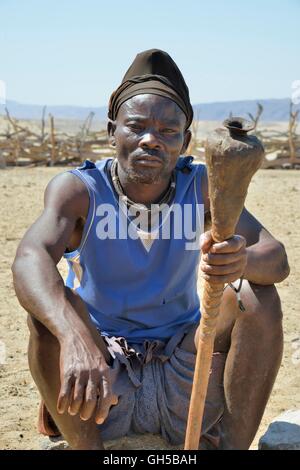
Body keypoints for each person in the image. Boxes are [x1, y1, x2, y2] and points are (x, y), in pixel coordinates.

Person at [12, 49, 290, 450]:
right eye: (137, 126)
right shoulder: (80, 191)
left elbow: (276, 259)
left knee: (255, 296)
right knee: (51, 313)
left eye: (167, 131)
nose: (150, 140)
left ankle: (231, 445)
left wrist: (240, 260)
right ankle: (88, 448)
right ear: (112, 132)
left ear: (185, 140)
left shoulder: (202, 187)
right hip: (103, 372)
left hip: (185, 363)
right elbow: (29, 257)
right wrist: (74, 337)